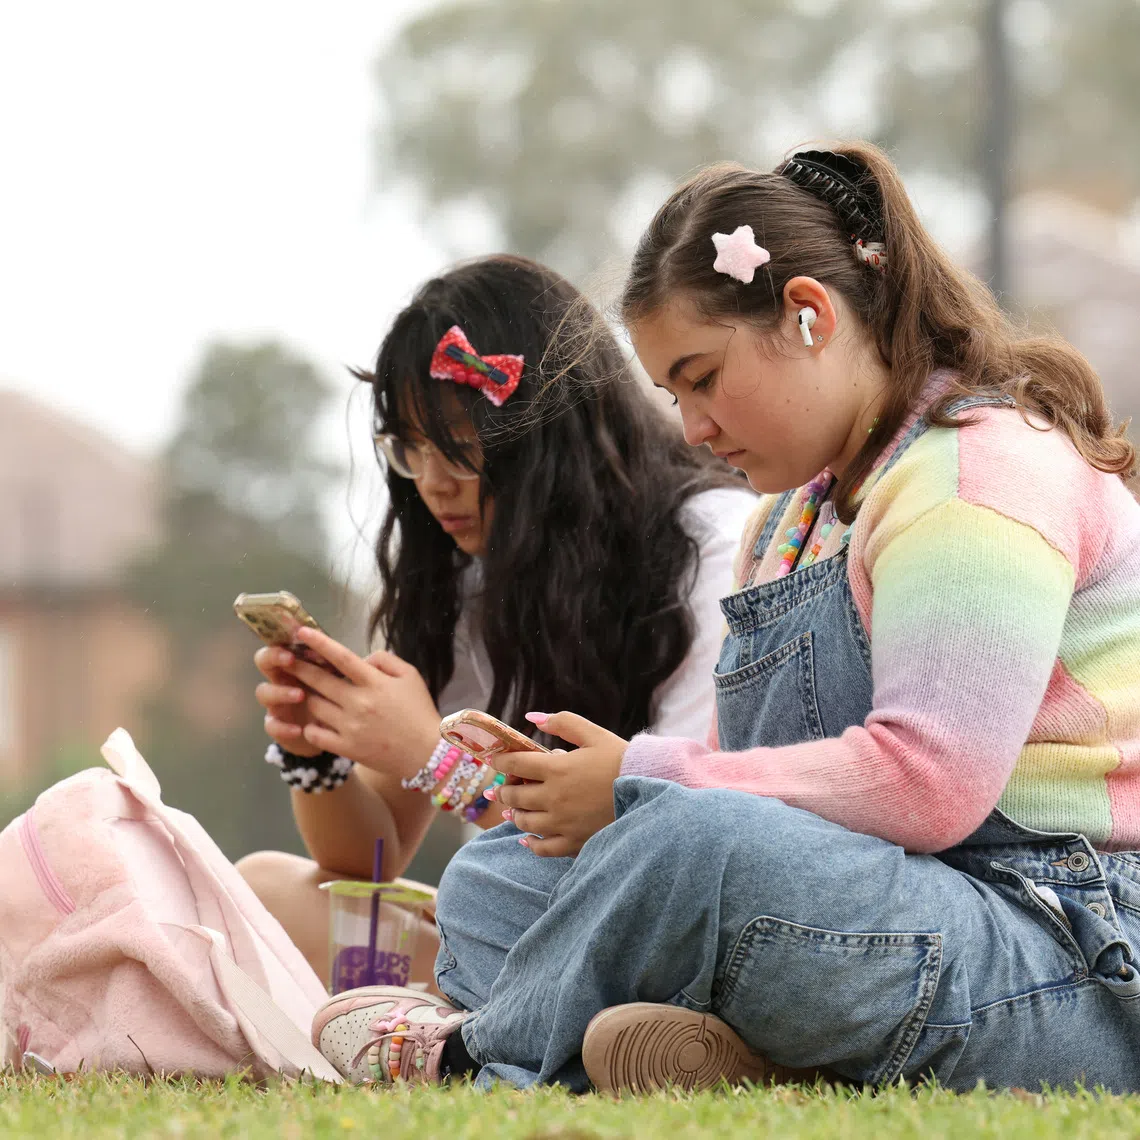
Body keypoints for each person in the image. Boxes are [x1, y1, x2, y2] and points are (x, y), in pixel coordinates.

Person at [311, 143, 1140, 1094]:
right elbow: (740, 772)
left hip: (1068, 943)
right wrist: (586, 797)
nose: (692, 427)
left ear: (809, 315)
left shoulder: (979, 479)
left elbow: (929, 785)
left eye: (702, 377)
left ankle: (473, 1052)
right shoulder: (790, 520)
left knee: (687, 845)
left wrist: (638, 778)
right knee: (501, 872)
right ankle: (751, 1056)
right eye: (672, 393)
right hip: (886, 908)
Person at [237, 255, 757, 985]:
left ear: (551, 433)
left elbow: (669, 844)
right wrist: (315, 750)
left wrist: (435, 758)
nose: (433, 481)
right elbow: (368, 861)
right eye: (409, 448)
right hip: (533, 934)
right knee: (266, 891)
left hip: (677, 930)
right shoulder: (469, 577)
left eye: (459, 442)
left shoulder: (712, 548)